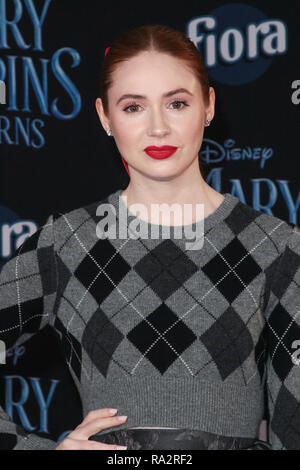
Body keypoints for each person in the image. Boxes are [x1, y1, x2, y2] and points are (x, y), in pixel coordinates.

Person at [0, 24, 299, 450]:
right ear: (105, 117)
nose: (158, 128)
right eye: (133, 107)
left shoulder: (275, 245)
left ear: (209, 106)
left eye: (177, 103)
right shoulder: (67, 243)